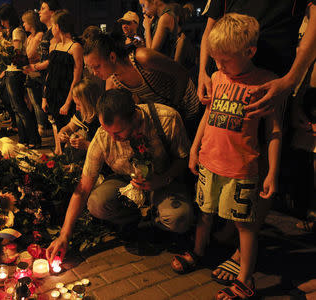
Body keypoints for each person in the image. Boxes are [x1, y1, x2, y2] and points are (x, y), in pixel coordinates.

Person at [169, 14, 283, 300]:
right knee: (204, 213)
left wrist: (272, 172)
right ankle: (198, 251)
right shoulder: (218, 77)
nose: (218, 66)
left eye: (225, 60)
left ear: (249, 52)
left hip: (242, 168)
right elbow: (209, 115)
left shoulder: (266, 83)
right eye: (216, 60)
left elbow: (274, 132)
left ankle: (245, 277)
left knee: (245, 224)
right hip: (210, 161)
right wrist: (195, 148)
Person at [46, 88, 193, 262]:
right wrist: (64, 235)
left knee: (179, 218)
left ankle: (158, 223)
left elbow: (183, 159)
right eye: (107, 131)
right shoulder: (103, 136)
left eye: (118, 132)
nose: (113, 138)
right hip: (125, 180)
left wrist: (162, 180)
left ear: (134, 116)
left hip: (163, 179)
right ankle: (135, 220)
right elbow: (83, 188)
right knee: (96, 203)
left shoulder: (166, 119)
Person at [198, 0, 316, 117]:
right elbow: (210, 28)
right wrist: (203, 72)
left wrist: (290, 80)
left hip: (274, 82)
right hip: (225, 80)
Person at [83, 33, 200, 135]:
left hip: (187, 105)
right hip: (168, 115)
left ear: (112, 57)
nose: (94, 73)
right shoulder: (115, 80)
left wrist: (175, 104)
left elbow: (182, 73)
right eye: (91, 68)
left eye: (97, 66)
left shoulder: (142, 58)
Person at [0, 4, 41, 148]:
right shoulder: (11, 31)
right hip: (11, 71)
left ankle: (33, 139)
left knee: (20, 107)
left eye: (4, 20)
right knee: (16, 108)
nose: (2, 23)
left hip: (16, 72)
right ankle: (23, 139)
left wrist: (4, 54)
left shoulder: (16, 31)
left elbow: (17, 53)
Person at [39, 9, 83, 129]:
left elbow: (77, 77)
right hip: (52, 94)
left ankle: (62, 148)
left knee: (67, 129)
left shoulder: (75, 47)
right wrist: (44, 97)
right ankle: (58, 149)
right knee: (55, 124)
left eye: (53, 25)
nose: (51, 28)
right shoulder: (53, 46)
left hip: (66, 94)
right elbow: (50, 73)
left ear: (57, 26)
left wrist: (68, 102)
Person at [58, 78, 102, 157]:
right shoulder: (83, 113)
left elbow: (106, 150)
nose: (76, 108)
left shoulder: (102, 117)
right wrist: (62, 133)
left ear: (89, 102)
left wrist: (86, 145)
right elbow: (69, 127)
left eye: (79, 105)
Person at [22, 10, 48, 137]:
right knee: (33, 101)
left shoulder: (39, 36)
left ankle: (41, 127)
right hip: (30, 72)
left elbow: (29, 54)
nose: (23, 25)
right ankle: (39, 125)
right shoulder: (29, 37)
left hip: (37, 73)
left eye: (25, 22)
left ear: (31, 23)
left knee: (38, 102)